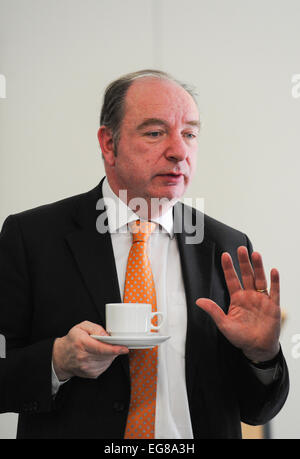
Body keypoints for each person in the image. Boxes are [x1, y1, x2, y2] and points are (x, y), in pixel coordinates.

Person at [0, 69, 289, 439]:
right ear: (108, 143)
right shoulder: (33, 238)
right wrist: (57, 362)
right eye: (155, 133)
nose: (179, 151)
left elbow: (258, 409)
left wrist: (261, 355)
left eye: (189, 134)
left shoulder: (228, 248)